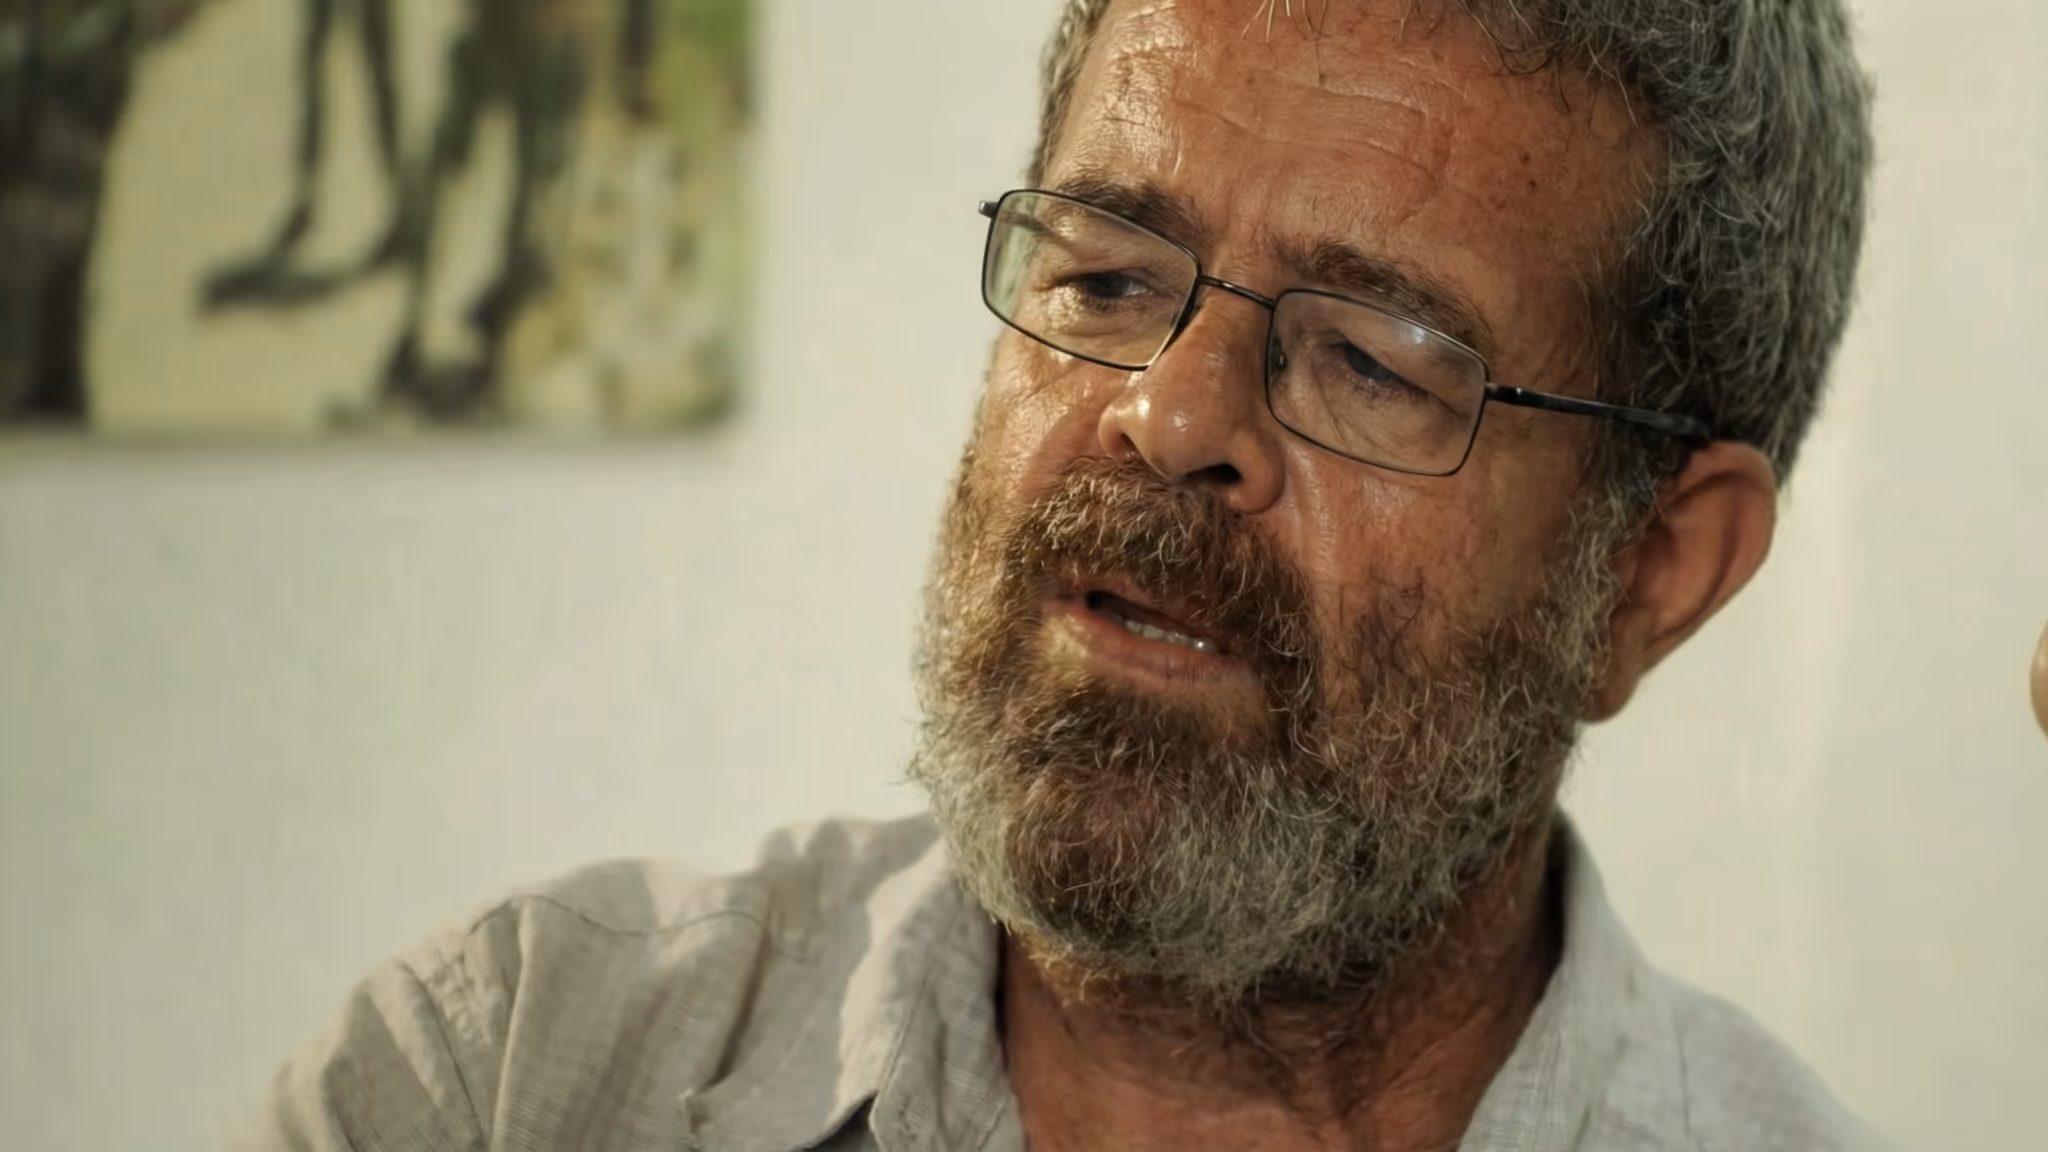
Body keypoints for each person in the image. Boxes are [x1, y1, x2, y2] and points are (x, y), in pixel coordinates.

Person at [234, 0, 1881, 1148]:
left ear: (1651, 572)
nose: (1169, 416)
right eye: (1104, 275)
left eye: (1374, 361)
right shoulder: (502, 1078)